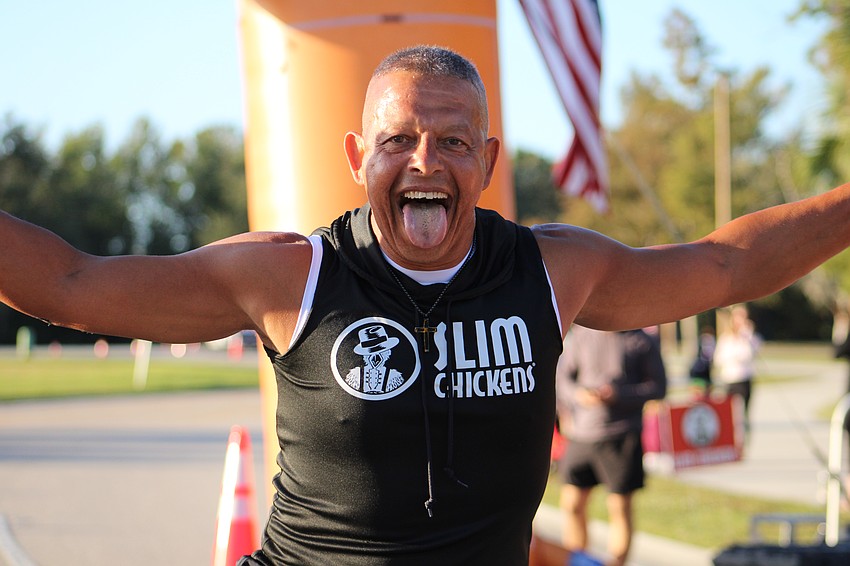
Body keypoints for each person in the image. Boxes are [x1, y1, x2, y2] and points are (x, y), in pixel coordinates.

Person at [2, 45, 850, 565]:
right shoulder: (291, 276)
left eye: (451, 141)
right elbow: (72, 285)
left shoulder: (552, 271)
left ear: (487, 161)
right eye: (397, 139)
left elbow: (723, 266)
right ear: (356, 157)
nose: (423, 161)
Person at [555, 326, 667, 566]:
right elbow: (563, 379)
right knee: (572, 504)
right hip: (582, 434)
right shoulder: (581, 336)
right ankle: (578, 561)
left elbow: (659, 387)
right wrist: (578, 395)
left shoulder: (641, 340)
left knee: (619, 507)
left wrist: (618, 394)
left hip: (622, 435)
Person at [713, 305, 761, 436]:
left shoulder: (748, 337)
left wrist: (747, 334)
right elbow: (719, 359)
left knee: (744, 412)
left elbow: (752, 352)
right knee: (732, 412)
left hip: (745, 378)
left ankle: (743, 437)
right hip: (731, 380)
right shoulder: (726, 338)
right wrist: (736, 357)